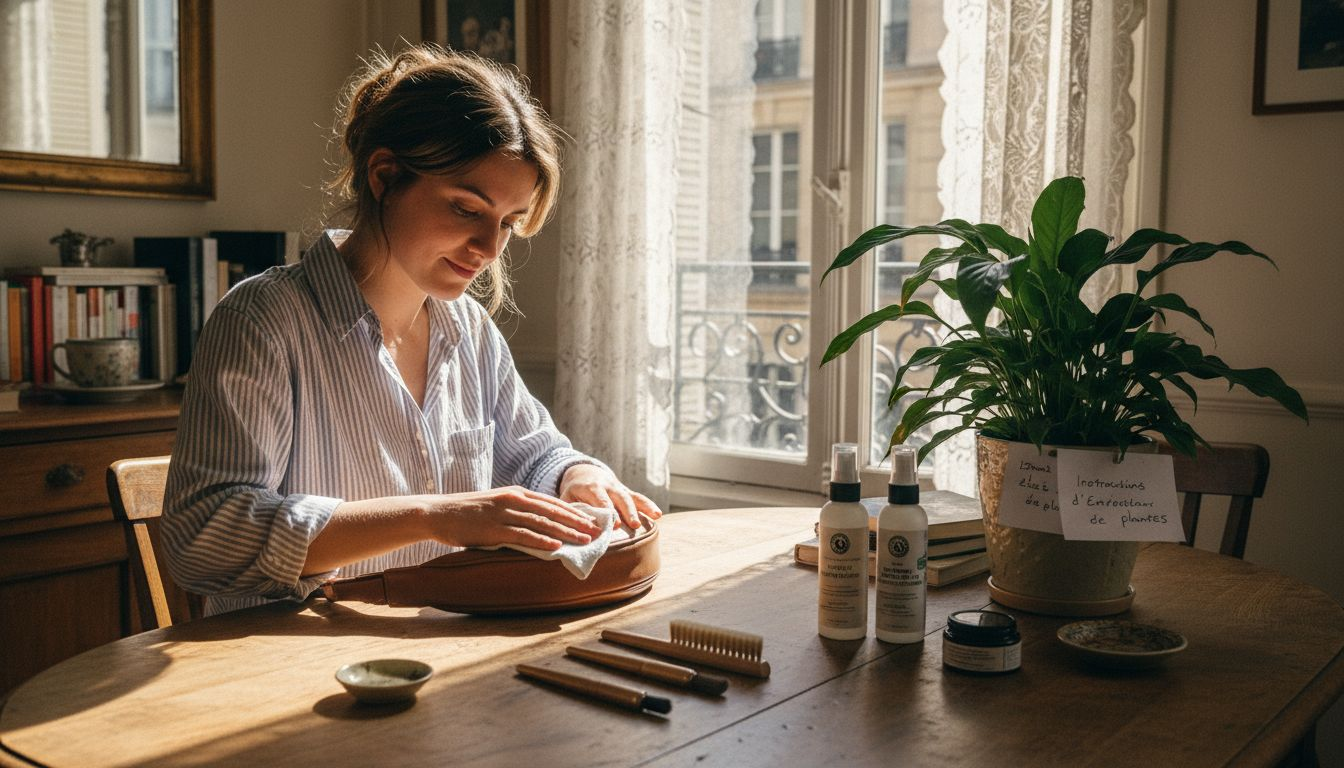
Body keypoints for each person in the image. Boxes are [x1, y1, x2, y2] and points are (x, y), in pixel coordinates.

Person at [161, 46, 661, 616]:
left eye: (508, 223)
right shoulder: (262, 323)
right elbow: (201, 539)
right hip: (290, 668)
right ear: (385, 175)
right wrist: (434, 516)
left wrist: (577, 476)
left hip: (442, 654)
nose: (490, 249)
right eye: (467, 208)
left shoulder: (469, 330)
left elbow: (532, 455)